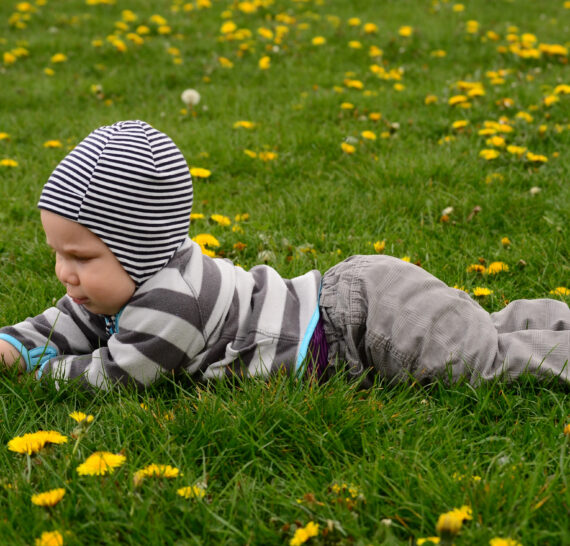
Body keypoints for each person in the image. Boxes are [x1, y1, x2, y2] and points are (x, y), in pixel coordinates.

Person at [0, 120, 568, 391]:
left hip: (363, 327)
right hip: (356, 296)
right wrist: (15, 345)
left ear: (139, 246)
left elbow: (114, 376)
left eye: (80, 256)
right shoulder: (126, 281)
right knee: (482, 328)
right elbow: (68, 321)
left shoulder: (170, 303)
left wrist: (39, 372)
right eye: (58, 253)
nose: (64, 273)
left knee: (480, 365)